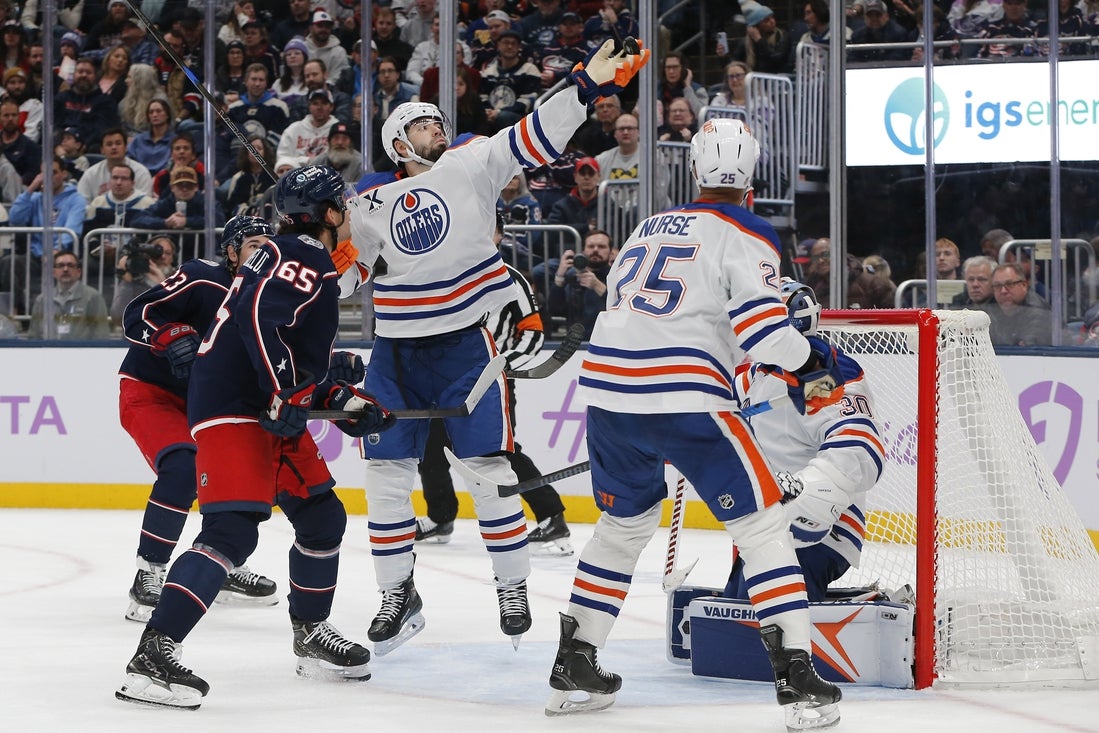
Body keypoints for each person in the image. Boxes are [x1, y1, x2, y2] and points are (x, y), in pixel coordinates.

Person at [343, 37, 650, 656]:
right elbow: (347, 277)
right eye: (426, 123)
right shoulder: (367, 205)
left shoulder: (472, 163)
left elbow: (536, 133)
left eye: (439, 120)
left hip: (464, 349)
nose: (439, 127)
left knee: (488, 473)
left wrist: (584, 85)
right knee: (384, 478)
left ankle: (512, 587)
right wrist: (318, 239)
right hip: (395, 354)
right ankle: (396, 596)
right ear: (399, 144)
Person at [544, 118, 843, 728]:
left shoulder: (644, 229)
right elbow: (764, 335)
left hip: (606, 391)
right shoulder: (750, 230)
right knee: (762, 528)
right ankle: (796, 679)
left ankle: (574, 661)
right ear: (752, 181)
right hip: (685, 397)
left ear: (695, 172)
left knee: (623, 525)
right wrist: (810, 357)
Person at [116, 168, 391, 709]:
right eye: (345, 204)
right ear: (331, 213)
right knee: (231, 531)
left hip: (259, 400)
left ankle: (310, 634)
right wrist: (292, 394)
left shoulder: (291, 255)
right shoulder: (306, 254)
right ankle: (152, 655)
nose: (352, 212)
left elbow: (278, 340)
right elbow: (255, 317)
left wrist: (340, 401)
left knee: (321, 516)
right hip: (237, 407)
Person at [116, 218, 282, 625]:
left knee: (239, 482)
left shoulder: (271, 299)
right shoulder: (201, 277)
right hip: (151, 391)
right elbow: (139, 313)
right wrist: (170, 334)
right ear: (231, 251)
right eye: (254, 244)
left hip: (207, 406)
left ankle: (219, 562)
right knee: (183, 466)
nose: (264, 253)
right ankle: (149, 571)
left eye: (269, 246)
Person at [415, 214, 573, 554]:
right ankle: (440, 515)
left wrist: (503, 365)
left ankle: (551, 516)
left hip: (491, 381)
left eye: (489, 228)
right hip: (444, 379)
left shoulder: (510, 279)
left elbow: (533, 332)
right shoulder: (448, 274)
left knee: (499, 451)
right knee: (431, 447)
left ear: (500, 235)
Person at [725, 278, 884, 602]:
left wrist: (804, 492)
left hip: (824, 528)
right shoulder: (759, 372)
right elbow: (709, 405)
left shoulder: (829, 374)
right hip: (769, 528)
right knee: (733, 620)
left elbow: (860, 450)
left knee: (761, 623)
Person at [548, 228, 615, 339]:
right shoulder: (572, 276)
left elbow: (623, 309)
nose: (595, 250)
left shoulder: (617, 276)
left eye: (601, 247)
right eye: (590, 246)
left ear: (611, 253)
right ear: (583, 250)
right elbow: (555, 310)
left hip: (606, 341)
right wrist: (559, 276)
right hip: (575, 343)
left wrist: (598, 286)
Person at [28, 250, 110, 339]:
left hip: (81, 352)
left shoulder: (93, 297)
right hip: (50, 351)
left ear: (79, 272)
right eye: (60, 266)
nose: (65, 269)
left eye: (70, 265)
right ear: (53, 272)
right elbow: (34, 335)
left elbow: (101, 334)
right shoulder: (43, 299)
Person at [133, 165, 226, 232]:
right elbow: (137, 219)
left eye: (189, 185)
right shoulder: (166, 203)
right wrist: (165, 222)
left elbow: (219, 220)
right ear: (172, 188)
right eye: (180, 185)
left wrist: (187, 221)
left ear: (196, 187)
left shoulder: (207, 203)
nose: (184, 189)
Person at [984, 261, 1052, 346]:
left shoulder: (1038, 312)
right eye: (997, 286)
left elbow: (1027, 350)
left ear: (1024, 285)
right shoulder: (989, 308)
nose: (1003, 291)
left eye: (1009, 284)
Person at [78, 127, 153, 201]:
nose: (114, 147)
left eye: (118, 143)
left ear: (126, 147)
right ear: (102, 150)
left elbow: (145, 204)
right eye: (109, 144)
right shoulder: (90, 174)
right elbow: (81, 203)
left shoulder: (141, 172)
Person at [276, 88, 340, 169]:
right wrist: (308, 161)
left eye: (324, 103)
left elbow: (339, 159)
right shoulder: (293, 129)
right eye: (315, 103)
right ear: (309, 107)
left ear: (331, 107)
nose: (319, 107)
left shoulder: (338, 129)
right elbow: (282, 158)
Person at [546, 156, 602, 241]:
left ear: (598, 176)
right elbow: (551, 232)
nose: (586, 177)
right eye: (582, 173)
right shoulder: (561, 206)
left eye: (591, 173)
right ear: (575, 177)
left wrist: (571, 229)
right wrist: (586, 228)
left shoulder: (608, 204)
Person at [733, 6, 795, 74]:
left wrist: (759, 40)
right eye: (766, 20)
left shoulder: (782, 36)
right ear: (756, 26)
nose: (772, 22)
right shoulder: (746, 42)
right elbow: (735, 63)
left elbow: (776, 59)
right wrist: (723, 56)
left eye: (772, 17)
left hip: (776, 78)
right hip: (752, 78)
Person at [848, 0, 916, 62]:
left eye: (878, 15)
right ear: (864, 17)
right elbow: (852, 59)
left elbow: (899, 57)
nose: (874, 18)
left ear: (886, 16)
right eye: (870, 15)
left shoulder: (899, 34)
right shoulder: (857, 35)